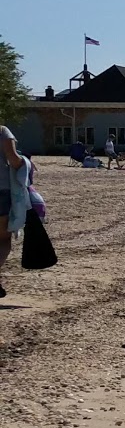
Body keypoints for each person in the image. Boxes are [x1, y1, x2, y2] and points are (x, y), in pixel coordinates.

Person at [1, 125, 32, 299]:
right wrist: (25, 162)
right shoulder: (2, 131)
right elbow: (13, 159)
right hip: (1, 189)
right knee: (3, 238)